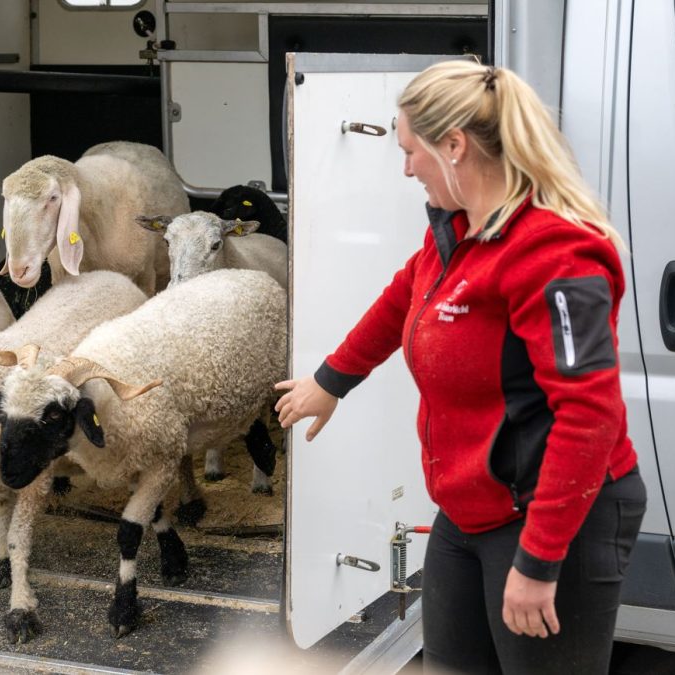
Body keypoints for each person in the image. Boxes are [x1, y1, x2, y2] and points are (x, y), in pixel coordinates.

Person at [274, 60, 646, 674]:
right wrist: (331, 380)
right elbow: (404, 297)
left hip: (552, 515)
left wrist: (539, 560)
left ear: (453, 146)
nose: (405, 167)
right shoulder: (456, 229)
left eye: (409, 149)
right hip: (468, 510)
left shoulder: (555, 252)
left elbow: (589, 414)